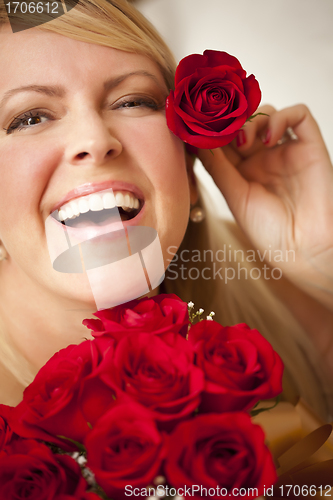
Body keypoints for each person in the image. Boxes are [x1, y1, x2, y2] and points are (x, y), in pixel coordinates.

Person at [0, 0, 332, 421]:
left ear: (191, 170)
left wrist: (324, 261)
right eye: (29, 118)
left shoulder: (276, 285)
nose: (95, 139)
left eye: (132, 101)